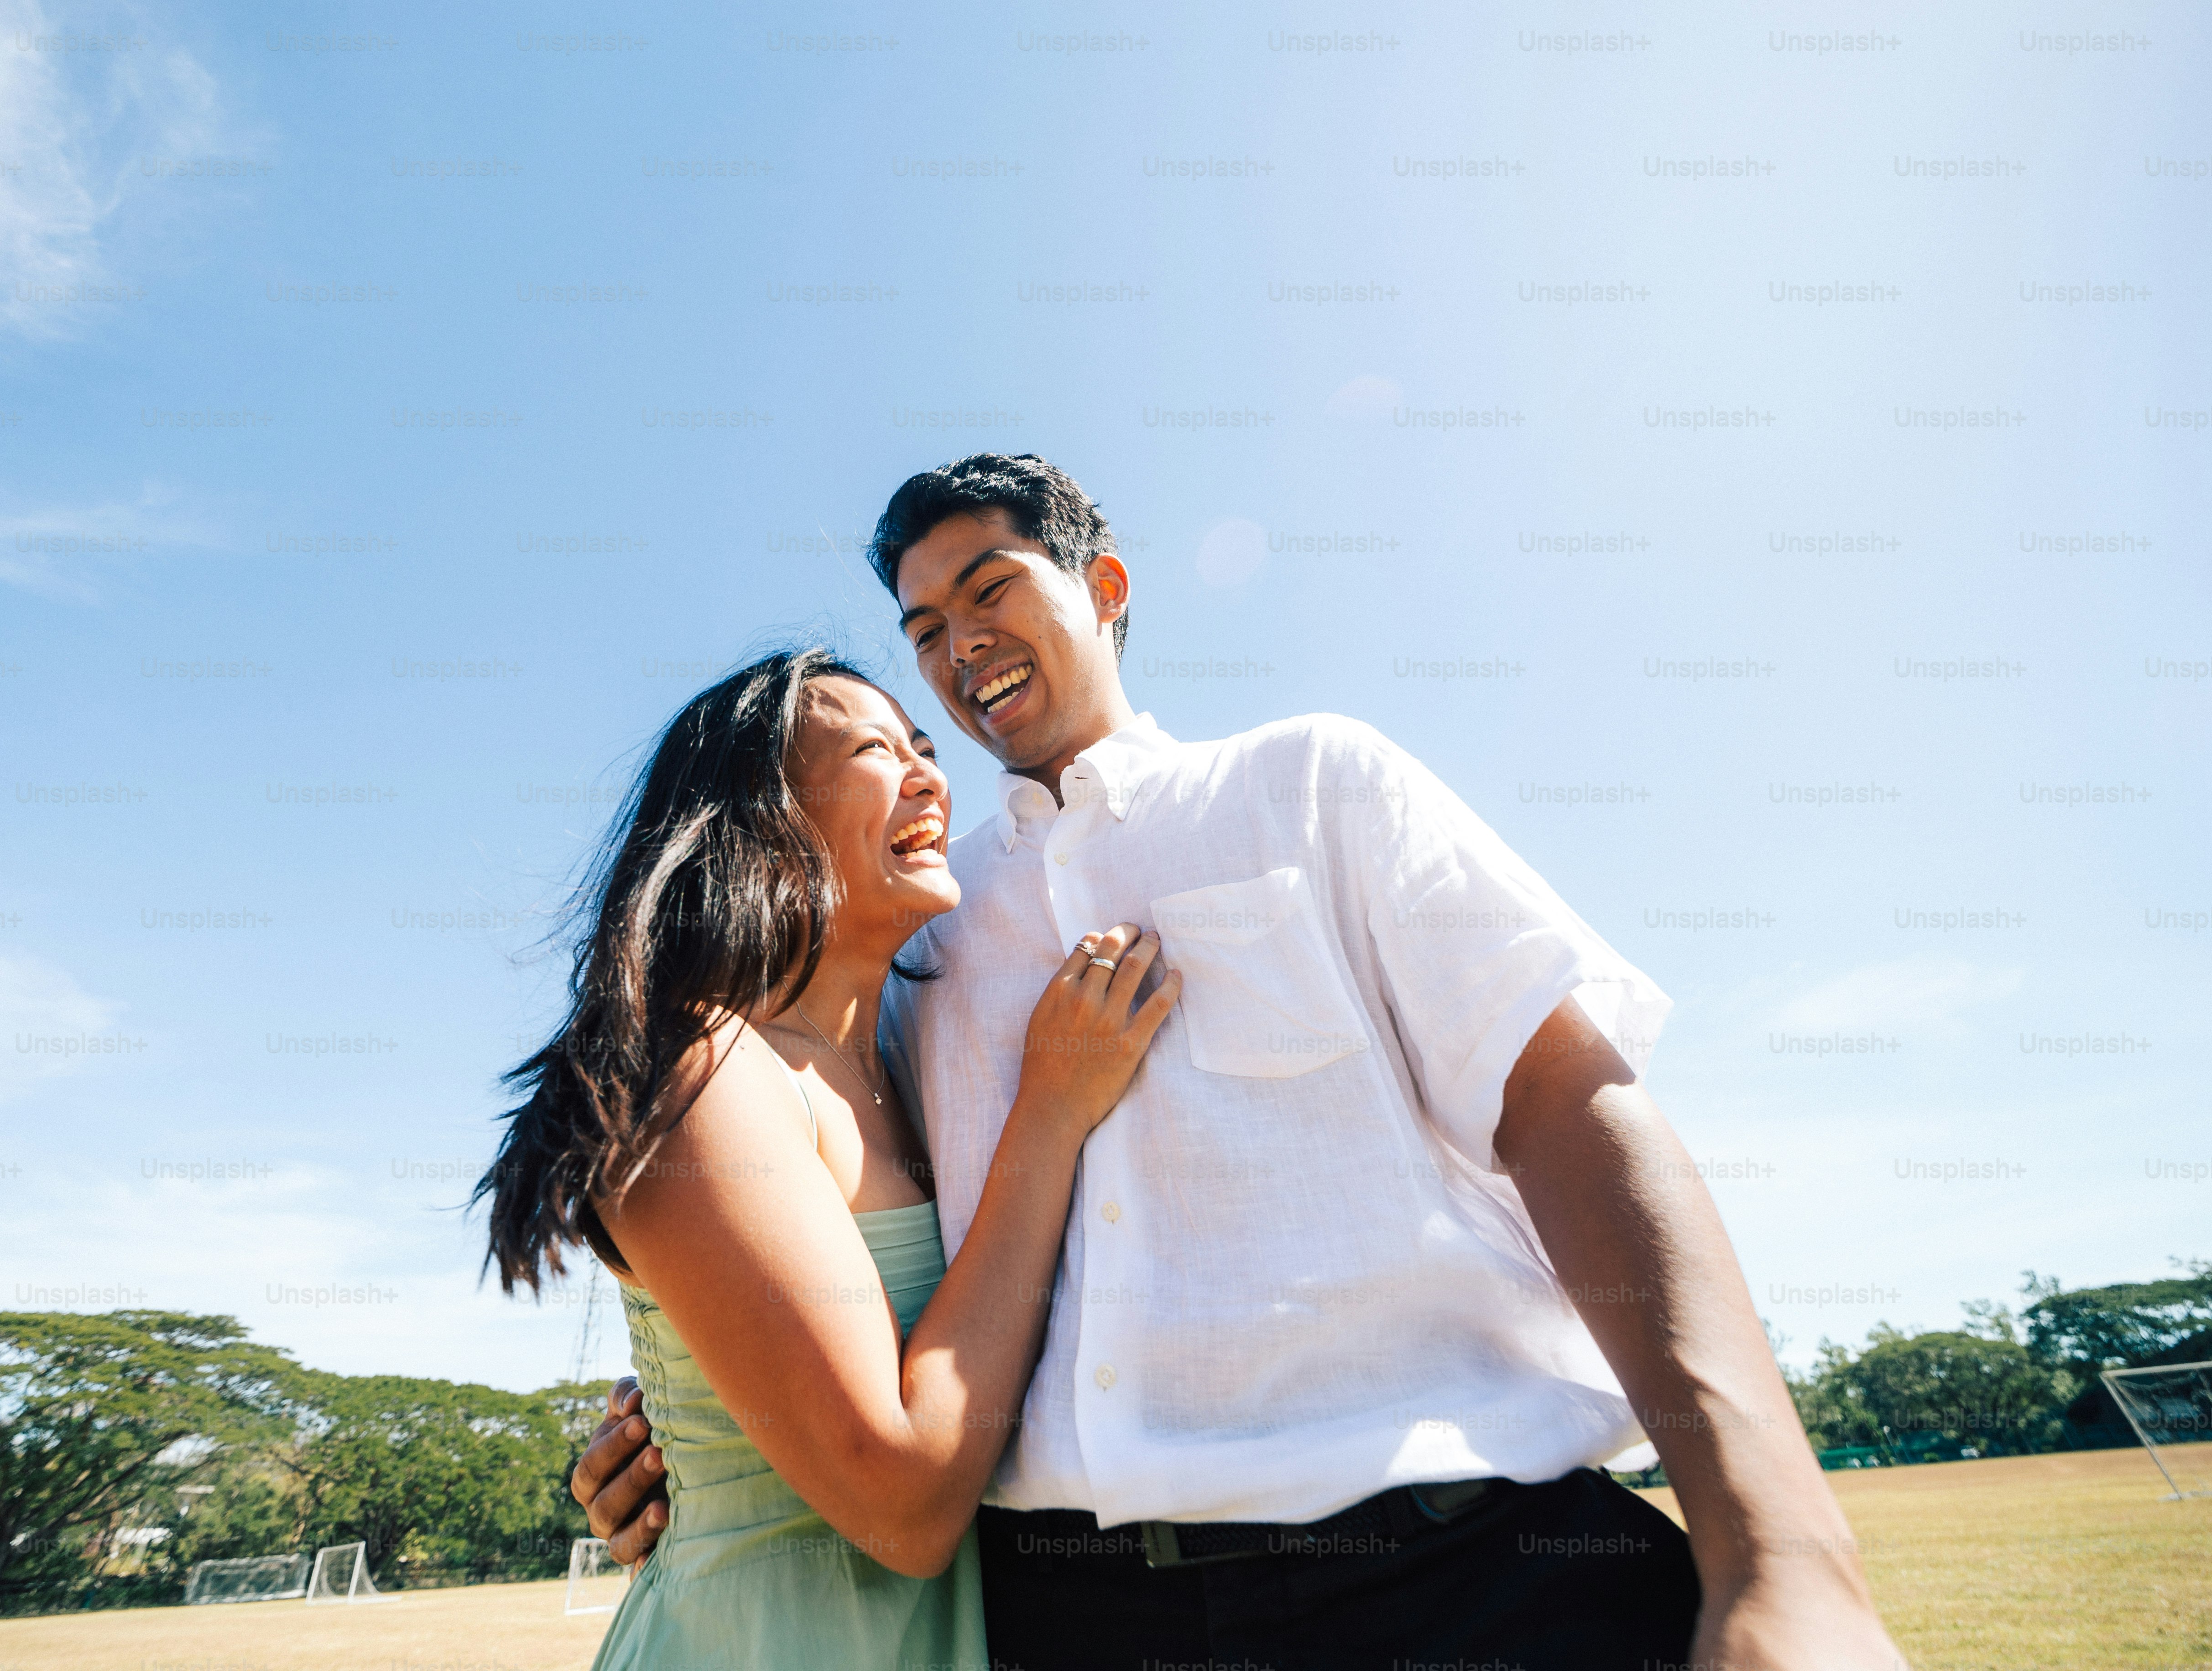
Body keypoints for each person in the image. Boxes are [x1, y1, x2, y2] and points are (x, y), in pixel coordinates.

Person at [572, 454, 1907, 1670]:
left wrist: (1784, 1552)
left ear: (1103, 586)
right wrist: (694, 1427)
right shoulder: (922, 928)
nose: (957, 646)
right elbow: (838, 1253)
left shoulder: (1314, 786)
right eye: (923, 632)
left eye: (991, 589)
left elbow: (1575, 1107)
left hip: (1463, 1579)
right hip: (1065, 1616)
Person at [476, 648, 1180, 1671]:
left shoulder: (907, 1059)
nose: (932, 775)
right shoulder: (701, 1067)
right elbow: (903, 1505)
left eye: (925, 749)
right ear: (761, 822)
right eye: (874, 751)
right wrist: (1050, 1114)